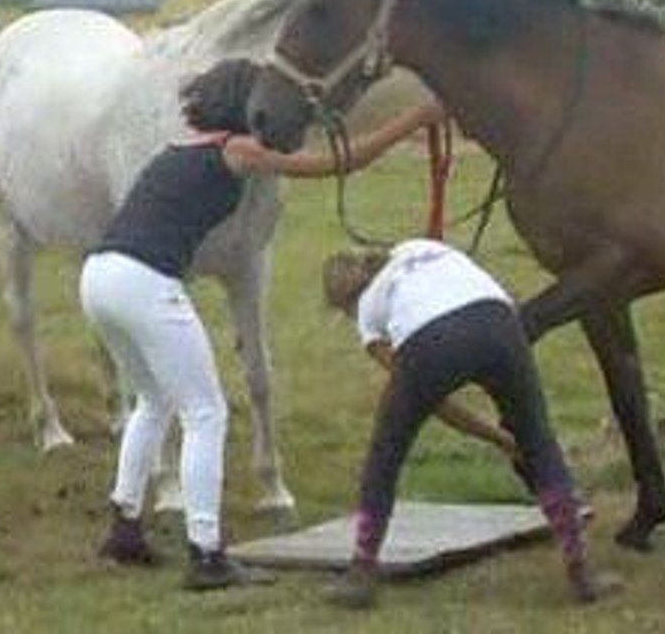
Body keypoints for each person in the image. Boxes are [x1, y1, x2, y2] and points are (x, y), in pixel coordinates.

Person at [79, 58, 444, 591]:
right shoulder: (237, 150)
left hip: (100, 277)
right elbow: (334, 165)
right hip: (144, 282)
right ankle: (207, 555)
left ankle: (125, 527)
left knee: (153, 402)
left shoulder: (181, 147)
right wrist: (414, 120)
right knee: (206, 413)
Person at [320, 239, 622, 608]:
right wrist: (508, 439)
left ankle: (362, 572)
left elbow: (434, 401)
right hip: (499, 320)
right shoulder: (419, 246)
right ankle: (581, 571)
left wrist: (495, 438)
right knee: (539, 441)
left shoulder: (368, 310)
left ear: (347, 304)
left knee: (386, 451)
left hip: (430, 341)